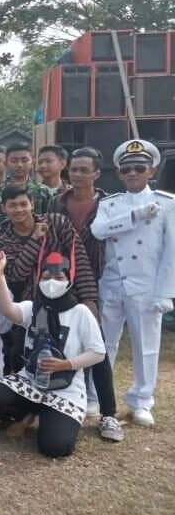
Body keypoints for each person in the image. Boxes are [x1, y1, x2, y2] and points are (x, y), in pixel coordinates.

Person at [0, 251, 106, 457]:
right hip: (31, 380)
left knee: (55, 447)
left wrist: (66, 364)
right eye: (46, 277)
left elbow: (98, 353)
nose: (51, 282)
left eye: (59, 278)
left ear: (69, 280)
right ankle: (30, 410)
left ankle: (48, 414)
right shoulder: (35, 308)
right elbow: (9, 310)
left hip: (66, 388)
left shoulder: (80, 312)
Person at [90, 139, 175, 426]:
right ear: (119, 172)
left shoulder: (167, 203)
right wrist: (134, 216)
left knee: (146, 346)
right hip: (113, 283)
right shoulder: (111, 203)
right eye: (127, 169)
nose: (133, 173)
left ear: (152, 170)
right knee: (103, 345)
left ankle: (142, 401)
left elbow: (171, 253)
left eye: (139, 168)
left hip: (146, 286)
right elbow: (98, 230)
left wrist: (165, 292)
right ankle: (95, 395)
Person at [48, 147, 123, 441]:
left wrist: (90, 296)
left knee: (97, 346)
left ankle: (108, 414)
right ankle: (63, 401)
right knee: (61, 341)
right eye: (73, 170)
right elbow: (53, 245)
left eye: (83, 170)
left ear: (96, 173)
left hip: (99, 281)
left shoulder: (109, 204)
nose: (77, 175)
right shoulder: (57, 203)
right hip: (62, 282)